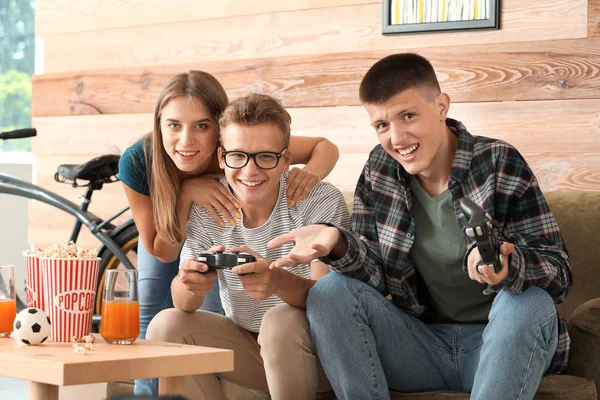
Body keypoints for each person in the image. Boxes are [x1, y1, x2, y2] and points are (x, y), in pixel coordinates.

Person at [268, 53, 572, 400]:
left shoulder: (499, 162)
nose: (396, 137)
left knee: (528, 302)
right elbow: (376, 277)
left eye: (407, 115)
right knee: (329, 291)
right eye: (382, 125)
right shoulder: (380, 168)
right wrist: (338, 242)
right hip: (421, 346)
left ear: (441, 107)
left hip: (502, 345)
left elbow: (559, 274)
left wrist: (509, 267)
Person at [116, 71, 340, 396]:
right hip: (174, 228)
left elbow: (323, 146)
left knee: (271, 318)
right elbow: (164, 254)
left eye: (201, 126)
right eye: (174, 125)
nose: (186, 140)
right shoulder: (142, 163)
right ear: (159, 124)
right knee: (160, 316)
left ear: (218, 135)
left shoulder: (254, 151)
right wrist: (186, 197)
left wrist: (310, 177)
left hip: (308, 341)